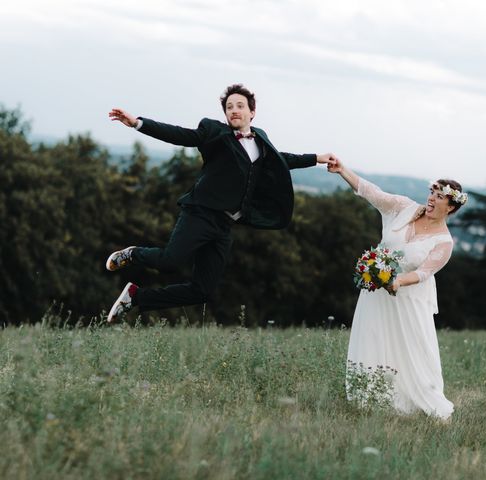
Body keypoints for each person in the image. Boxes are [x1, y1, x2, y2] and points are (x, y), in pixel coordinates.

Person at [105, 84, 336, 322]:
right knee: (169, 262)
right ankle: (133, 254)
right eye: (229, 107)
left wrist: (315, 158)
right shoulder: (214, 131)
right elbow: (180, 135)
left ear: (252, 112)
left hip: (225, 225)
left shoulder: (261, 140)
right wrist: (138, 123)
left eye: (240, 106)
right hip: (201, 214)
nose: (234, 110)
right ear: (225, 114)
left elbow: (281, 160)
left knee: (202, 291)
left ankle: (136, 298)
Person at [327, 158, 467, 419]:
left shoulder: (444, 242)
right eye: (432, 193)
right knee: (373, 337)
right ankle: (369, 398)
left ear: (451, 207)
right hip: (377, 293)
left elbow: (424, 272)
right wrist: (342, 171)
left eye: (439, 197)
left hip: (409, 299)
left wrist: (398, 282)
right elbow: (373, 193)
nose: (432, 199)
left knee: (414, 349)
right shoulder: (402, 207)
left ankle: (423, 401)